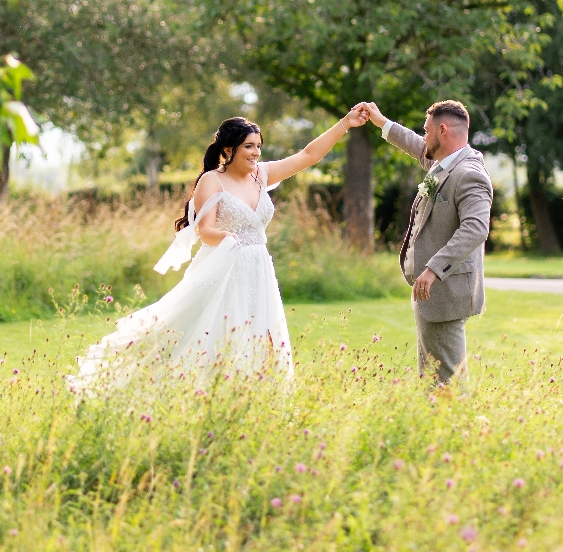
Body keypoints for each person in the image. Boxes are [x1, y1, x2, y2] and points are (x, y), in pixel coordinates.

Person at [70, 109, 369, 390]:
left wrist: (345, 123)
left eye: (258, 146)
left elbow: (309, 155)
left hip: (260, 268)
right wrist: (227, 237)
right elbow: (205, 230)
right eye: (249, 146)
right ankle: (210, 393)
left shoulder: (261, 175)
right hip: (228, 267)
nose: (256, 153)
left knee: (265, 336)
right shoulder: (211, 181)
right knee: (224, 335)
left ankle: (262, 399)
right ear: (229, 150)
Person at [357, 99, 492, 385]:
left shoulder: (469, 174)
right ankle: (436, 424)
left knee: (447, 379)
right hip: (431, 292)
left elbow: (476, 228)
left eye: (427, 131)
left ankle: (455, 427)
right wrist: (381, 121)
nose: (423, 137)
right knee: (433, 374)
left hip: (445, 289)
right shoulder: (445, 163)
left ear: (443, 130)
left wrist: (432, 269)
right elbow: (416, 145)